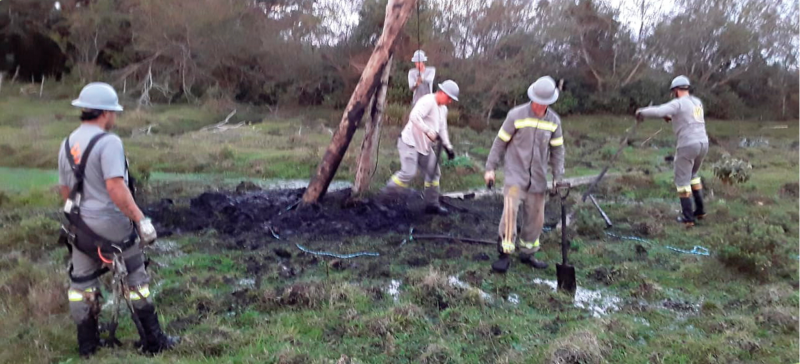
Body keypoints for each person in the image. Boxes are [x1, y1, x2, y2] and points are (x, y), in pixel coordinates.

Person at [58, 82, 178, 356]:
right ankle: (154, 341)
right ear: (104, 113)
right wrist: (140, 219)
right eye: (115, 112)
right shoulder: (109, 142)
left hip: (79, 228)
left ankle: (88, 346)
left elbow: (66, 193)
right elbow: (116, 187)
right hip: (113, 227)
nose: (116, 117)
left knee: (81, 285)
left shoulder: (67, 144)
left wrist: (81, 220)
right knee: (136, 277)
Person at [484, 76, 565, 273]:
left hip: (538, 178)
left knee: (536, 217)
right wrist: (490, 168)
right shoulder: (516, 115)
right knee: (510, 212)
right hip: (515, 175)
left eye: (543, 103)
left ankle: (528, 253)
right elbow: (500, 142)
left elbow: (558, 151)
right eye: (536, 101)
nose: (538, 106)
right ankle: (505, 253)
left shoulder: (554, 121)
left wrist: (558, 177)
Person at [635, 75, 708, 227]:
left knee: (682, 181)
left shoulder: (678, 103)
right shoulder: (697, 102)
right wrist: (671, 118)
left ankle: (688, 218)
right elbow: (689, 118)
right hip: (703, 143)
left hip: (687, 144)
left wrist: (641, 112)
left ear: (675, 90)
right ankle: (700, 211)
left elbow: (659, 111)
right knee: (693, 175)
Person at [384, 80, 459, 214]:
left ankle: (432, 204)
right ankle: (384, 198)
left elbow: (442, 129)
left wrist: (448, 147)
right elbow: (414, 116)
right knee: (408, 172)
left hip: (424, 147)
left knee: (434, 172)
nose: (450, 101)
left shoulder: (443, 109)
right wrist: (427, 131)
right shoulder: (428, 101)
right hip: (409, 143)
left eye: (452, 100)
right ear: (442, 93)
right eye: (449, 98)